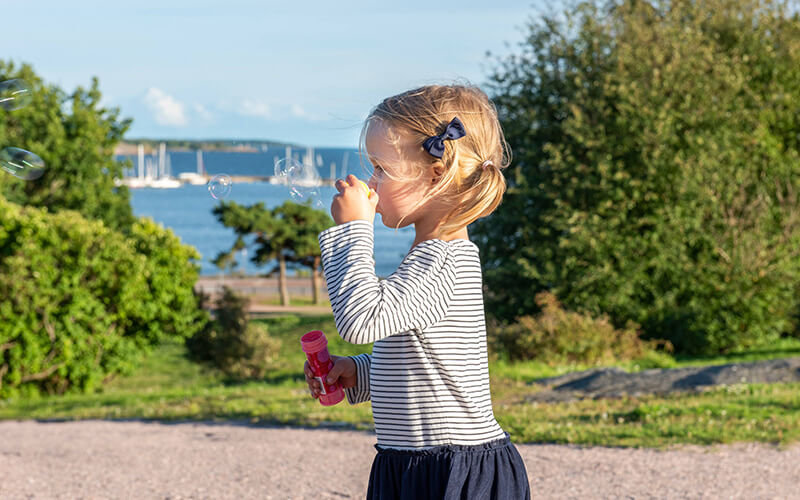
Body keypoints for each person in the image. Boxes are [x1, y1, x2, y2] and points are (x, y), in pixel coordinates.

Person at [304, 84, 531, 500]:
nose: (371, 183)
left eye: (381, 169)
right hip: (418, 460)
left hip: (451, 469)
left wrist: (353, 229)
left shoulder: (442, 261)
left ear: (437, 172)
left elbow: (360, 320)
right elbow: (428, 365)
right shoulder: (428, 258)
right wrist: (358, 372)